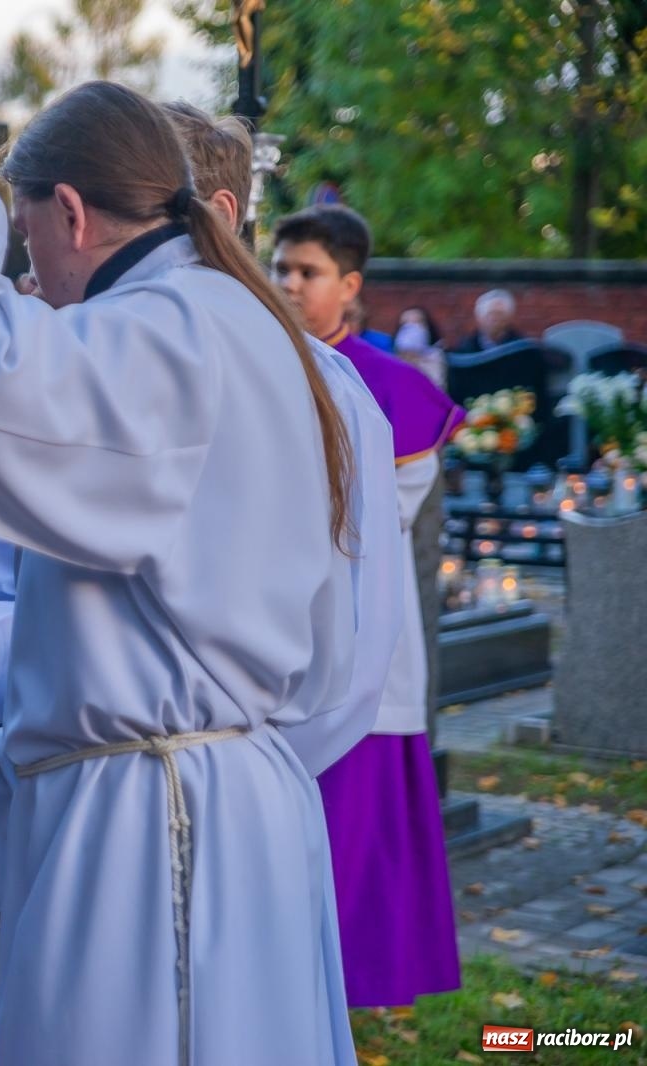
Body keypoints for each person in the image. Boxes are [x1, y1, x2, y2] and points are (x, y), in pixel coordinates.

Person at [0, 81, 389, 1065]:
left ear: (70, 212)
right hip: (226, 806)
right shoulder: (232, 326)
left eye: (25, 233)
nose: (29, 273)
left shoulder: (165, 331)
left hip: (158, 843)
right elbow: (138, 652)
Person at [0, 103, 404, 761]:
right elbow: (26, 577)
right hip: (96, 768)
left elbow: (356, 642)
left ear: (216, 215)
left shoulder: (323, 390)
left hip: (208, 774)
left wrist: (236, 764)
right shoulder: (91, 365)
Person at [273, 203, 464, 1008]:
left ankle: (348, 985)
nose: (286, 284)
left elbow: (376, 519)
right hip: (275, 631)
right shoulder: (259, 362)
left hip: (355, 624)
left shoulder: (396, 391)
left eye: (306, 272)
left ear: (349, 286)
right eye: (279, 267)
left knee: (353, 831)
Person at [451, 288, 524, 353]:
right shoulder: (466, 349)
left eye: (499, 314)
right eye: (491, 314)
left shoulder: (521, 349)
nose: (495, 319)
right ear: (479, 318)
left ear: (509, 317)